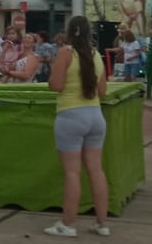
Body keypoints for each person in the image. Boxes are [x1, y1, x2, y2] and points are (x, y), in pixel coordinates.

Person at [46, 16, 110, 237]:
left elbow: (56, 85)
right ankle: (102, 224)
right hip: (96, 117)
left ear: (69, 31)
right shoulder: (97, 56)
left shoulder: (65, 53)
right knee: (96, 170)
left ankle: (68, 224)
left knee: (73, 173)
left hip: (70, 116)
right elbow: (102, 91)